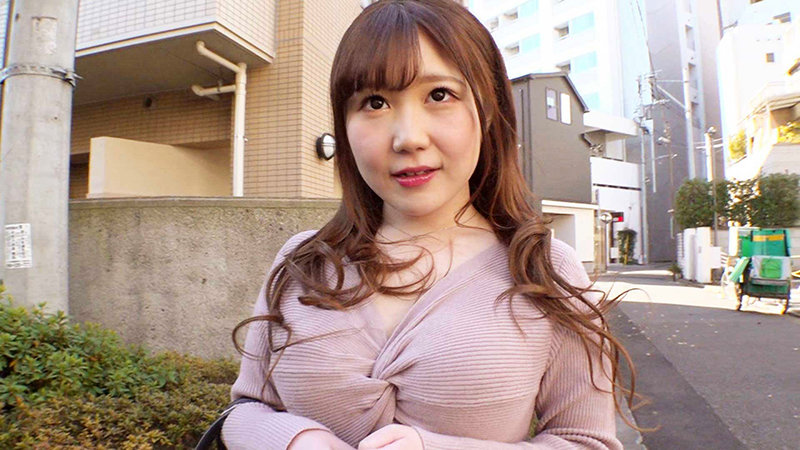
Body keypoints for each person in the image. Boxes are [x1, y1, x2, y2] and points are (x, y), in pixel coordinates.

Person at [222, 0, 636, 448]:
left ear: (488, 109)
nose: (408, 138)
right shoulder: (304, 262)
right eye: (375, 102)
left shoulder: (543, 269)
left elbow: (586, 441)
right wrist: (296, 440)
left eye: (439, 95)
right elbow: (246, 409)